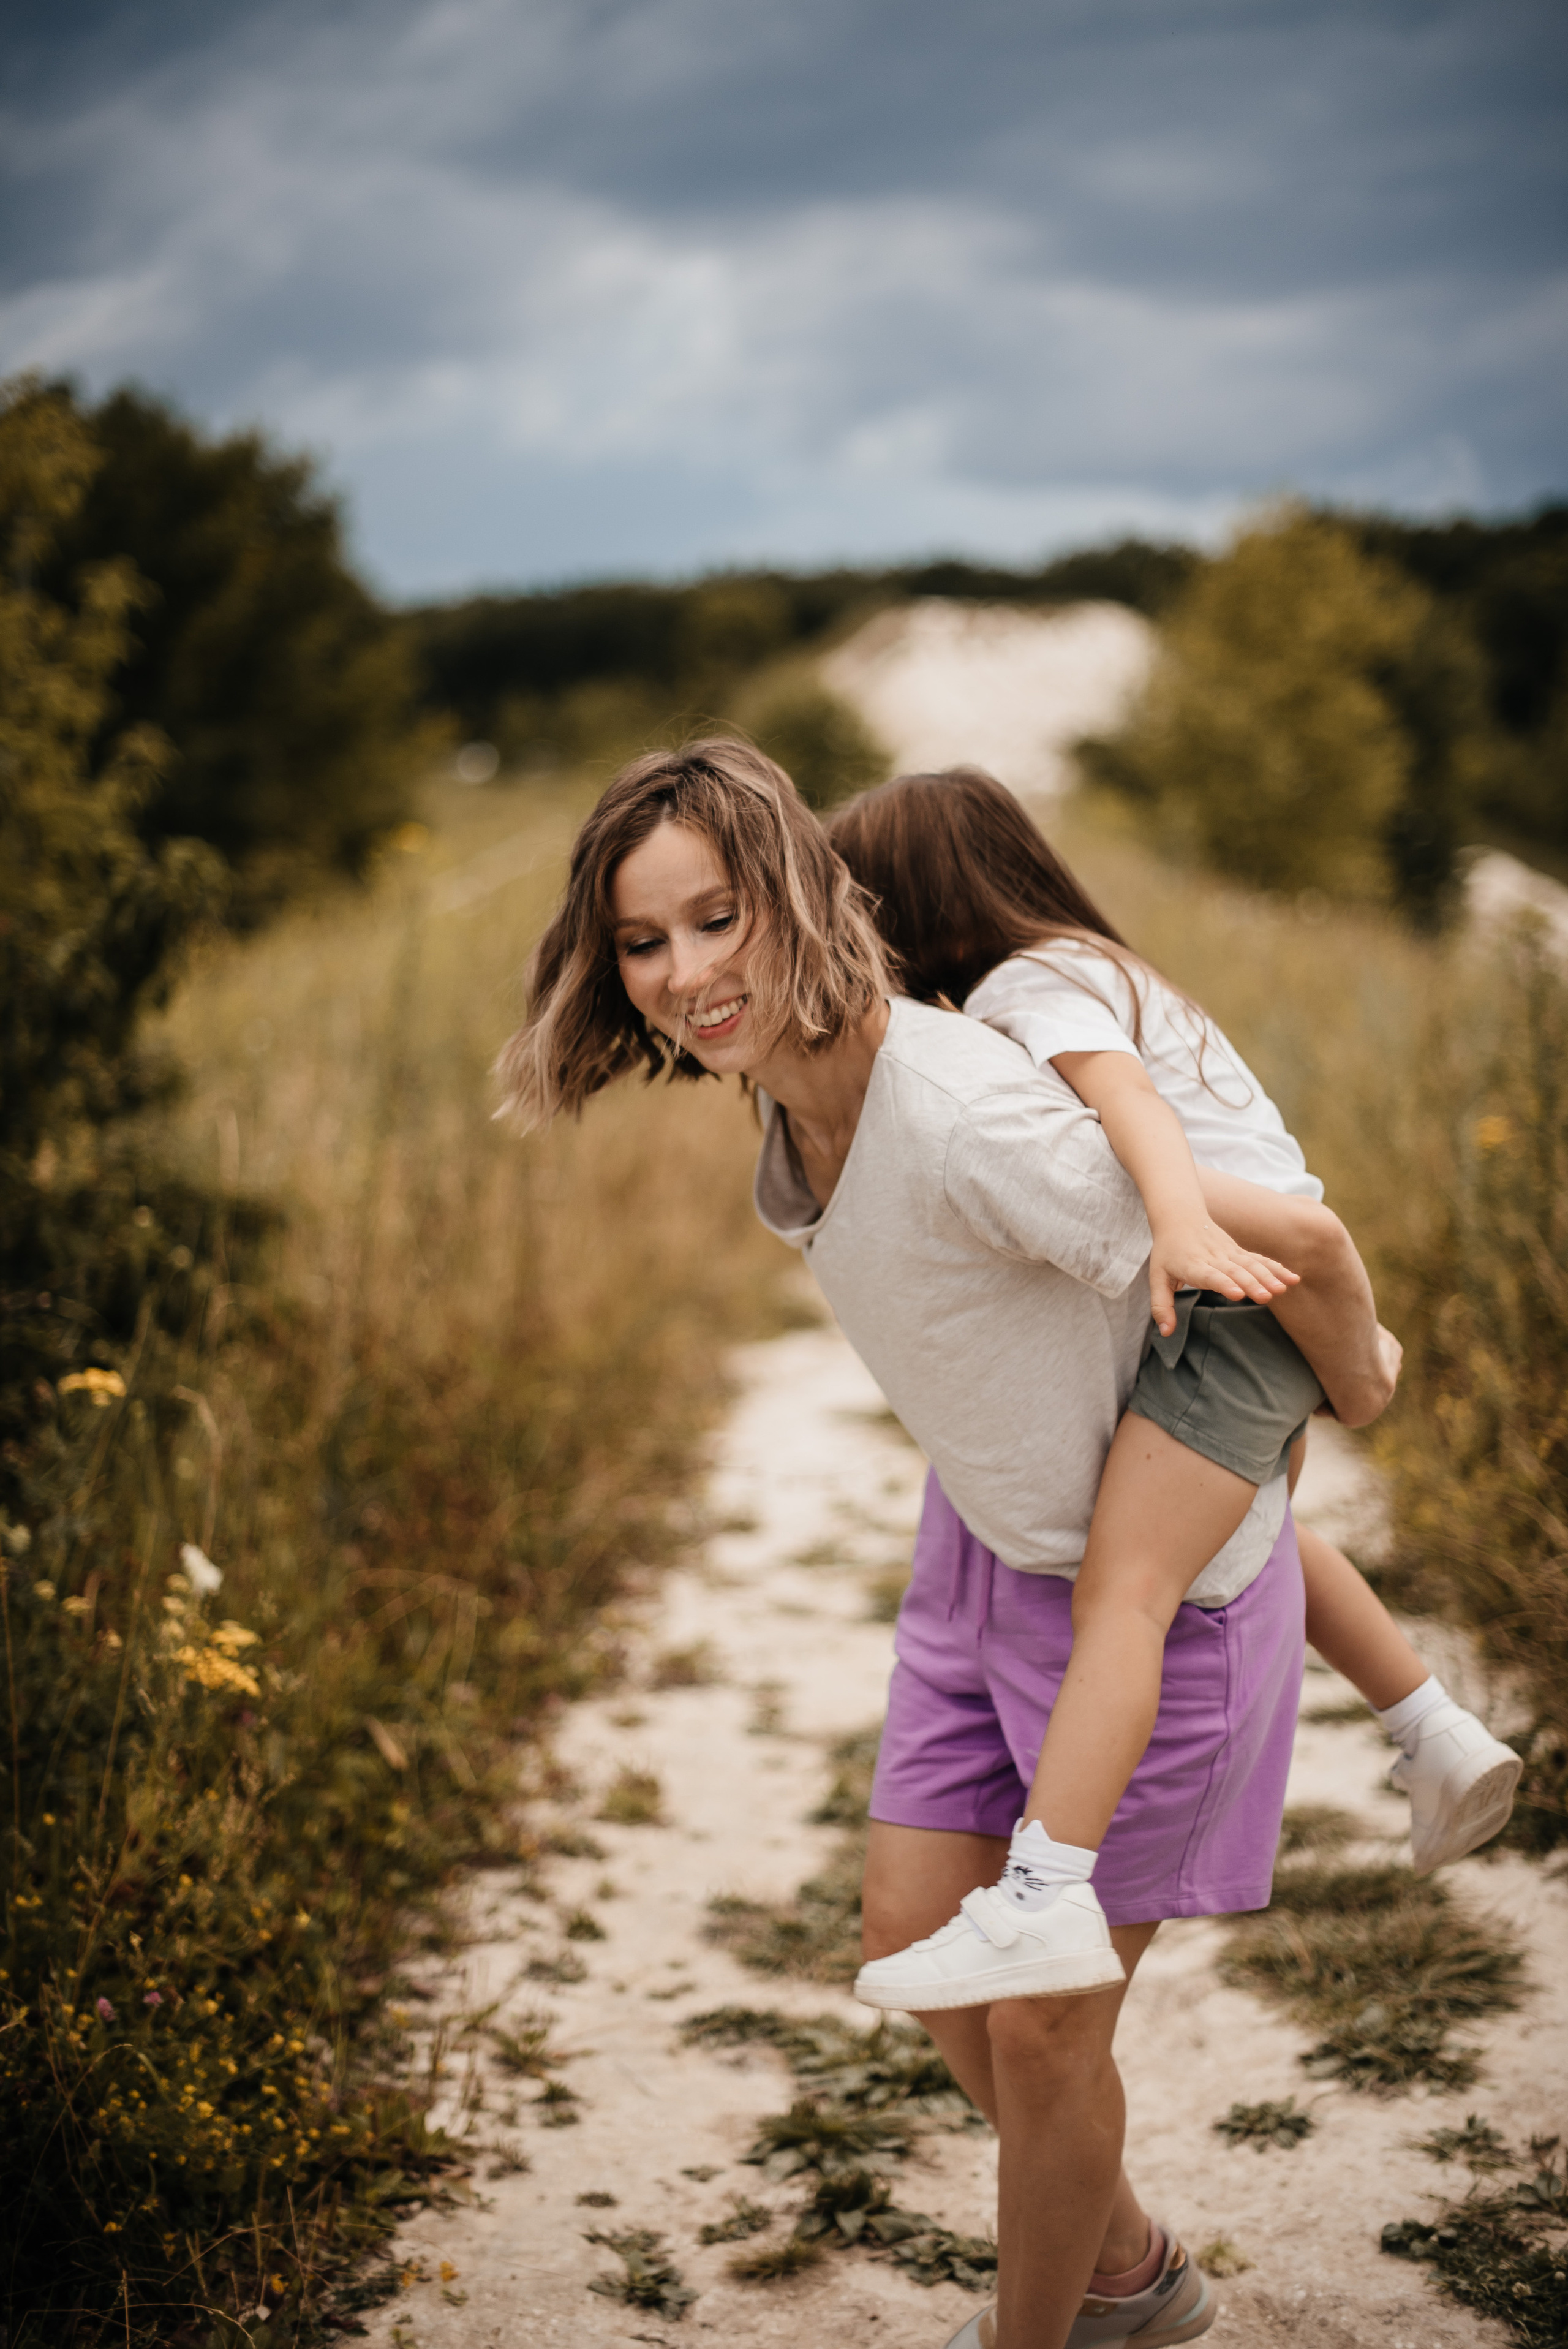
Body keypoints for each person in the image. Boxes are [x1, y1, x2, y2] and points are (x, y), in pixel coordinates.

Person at [497, 738, 1394, 2349]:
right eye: (645, 942)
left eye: (718, 921)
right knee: (914, 1946)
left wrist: (1354, 1376)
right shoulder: (792, 1099)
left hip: (1156, 1613)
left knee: (1049, 2042)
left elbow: (1274, 1241)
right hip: (981, 1573)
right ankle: (1125, 2262)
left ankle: (1042, 2329)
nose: (688, 973)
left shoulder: (968, 1106)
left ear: (793, 897)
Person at [828, 766, 1520, 2017]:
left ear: (908, 908)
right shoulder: (1095, 961)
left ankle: (1042, 1892)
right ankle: (1428, 1726)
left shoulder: (1025, 989)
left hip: (1228, 1302)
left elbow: (1127, 1106)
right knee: (1243, 1537)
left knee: (1124, 1585)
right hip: (1253, 1297)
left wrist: (1175, 1225)